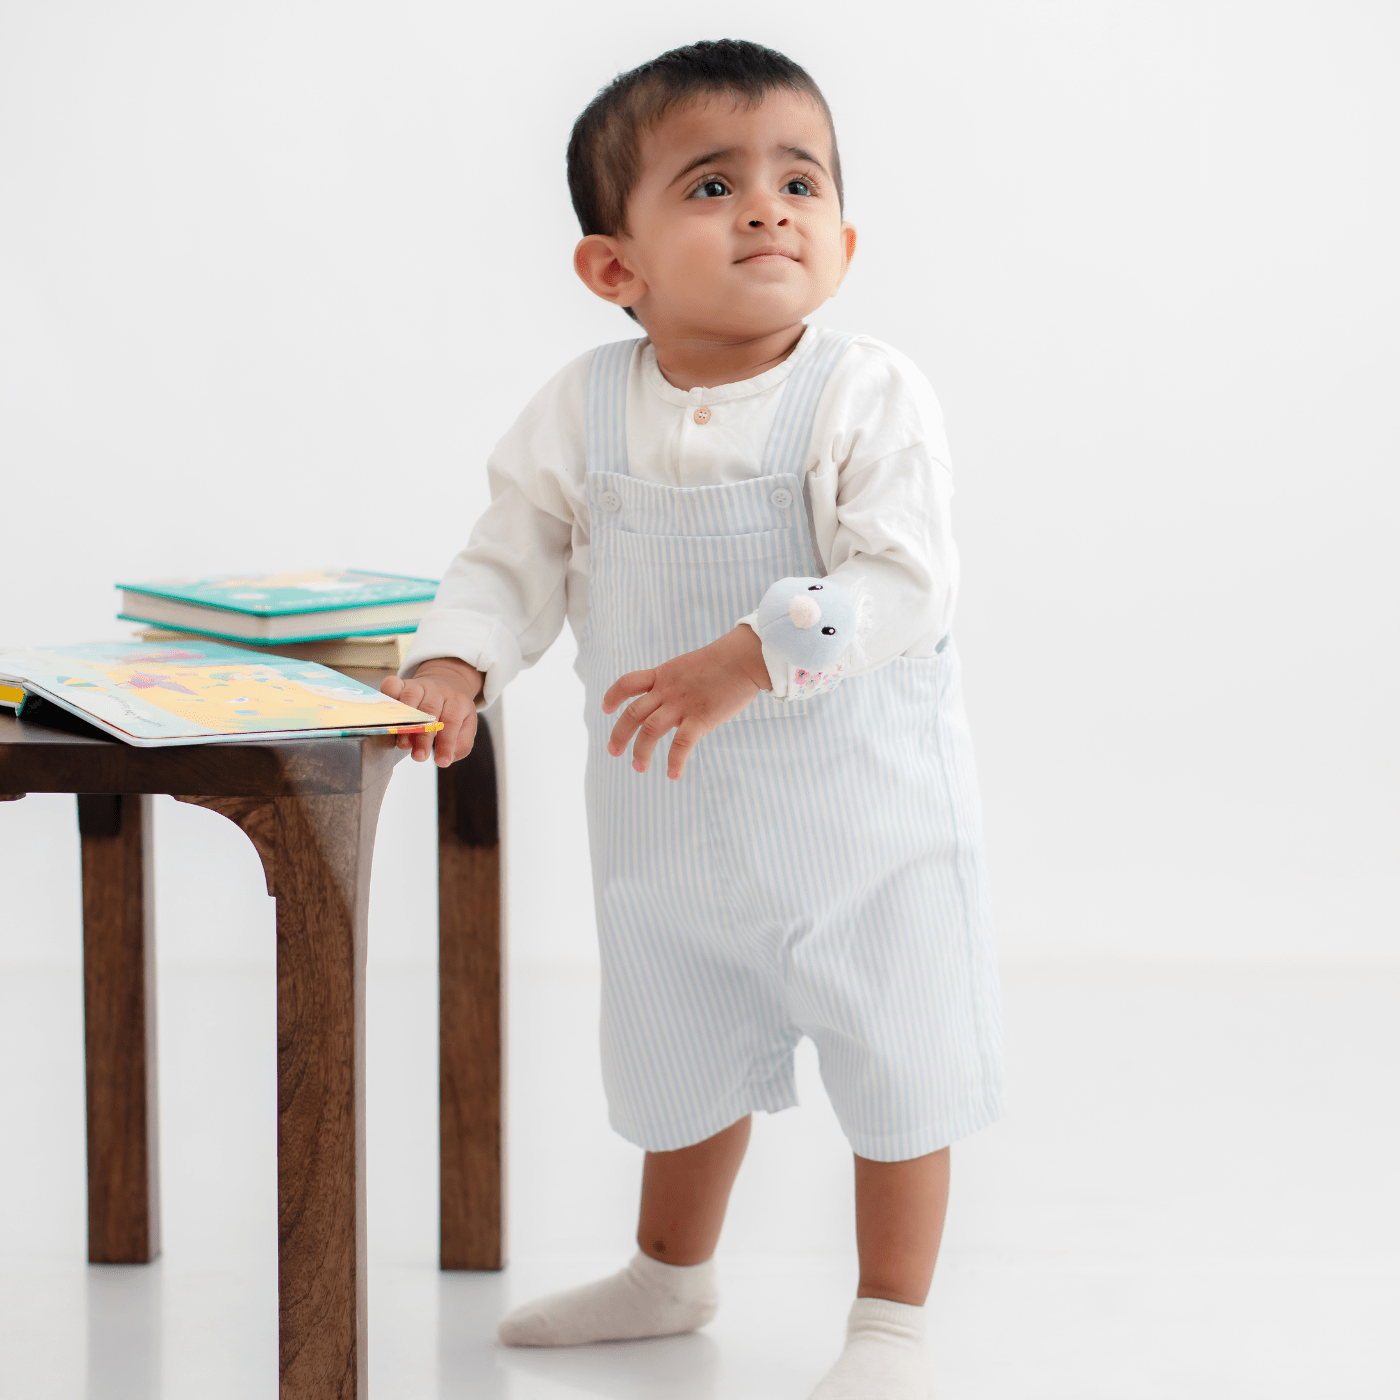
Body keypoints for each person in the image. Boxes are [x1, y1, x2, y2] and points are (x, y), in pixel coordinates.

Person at [382, 38, 1003, 1399]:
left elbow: (906, 582)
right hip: (665, 825)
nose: (768, 208)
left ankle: (891, 1324)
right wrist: (458, 665)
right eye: (715, 185)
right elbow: (508, 556)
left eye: (801, 181)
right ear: (617, 267)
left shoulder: (863, 394)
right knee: (679, 1050)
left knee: (897, 1060)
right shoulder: (583, 408)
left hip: (861, 825)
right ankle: (669, 1275)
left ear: (844, 240)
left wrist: (754, 652)